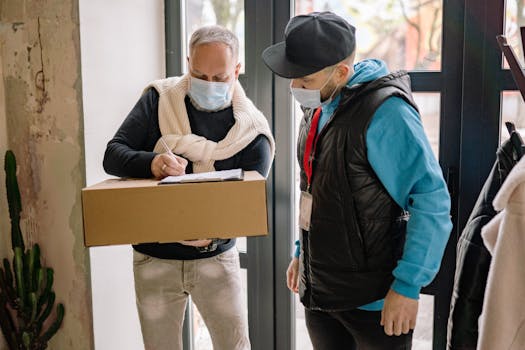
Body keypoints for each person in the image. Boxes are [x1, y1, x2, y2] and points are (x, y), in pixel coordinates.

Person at [262, 11, 452, 349]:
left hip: (375, 303)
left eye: (304, 81)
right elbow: (316, 190)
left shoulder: (386, 114)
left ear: (341, 72)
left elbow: (431, 200)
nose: (294, 89)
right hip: (321, 294)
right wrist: (301, 253)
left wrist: (407, 286)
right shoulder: (318, 106)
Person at [104, 25, 275, 350]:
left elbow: (246, 205)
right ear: (187, 64)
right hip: (154, 258)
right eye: (199, 75)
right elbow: (113, 155)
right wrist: (152, 164)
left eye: (220, 77)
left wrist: (213, 230)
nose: (209, 85)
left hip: (216, 258)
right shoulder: (159, 99)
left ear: (237, 70)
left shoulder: (252, 133)